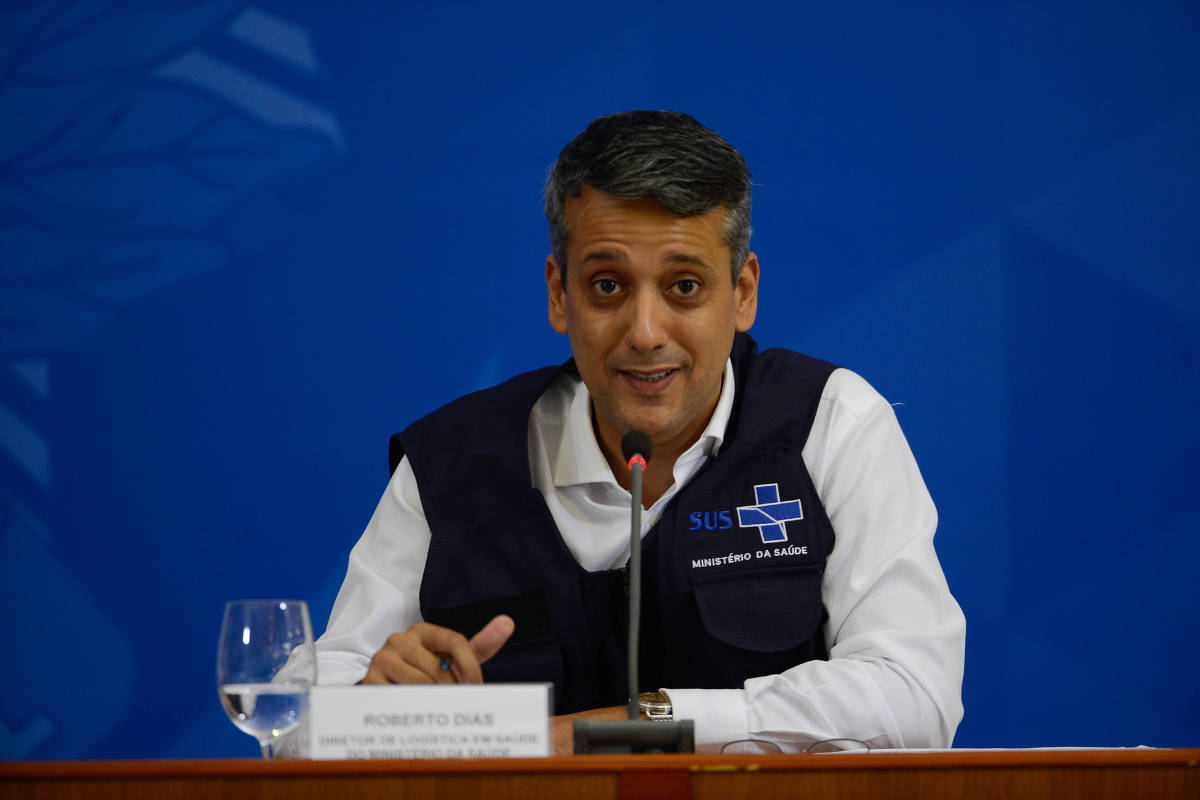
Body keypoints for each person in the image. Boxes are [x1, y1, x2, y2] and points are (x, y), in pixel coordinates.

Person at [288, 110, 965, 754]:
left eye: (685, 287)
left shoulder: (829, 423)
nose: (645, 334)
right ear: (559, 294)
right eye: (608, 286)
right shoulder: (452, 463)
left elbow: (915, 695)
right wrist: (370, 706)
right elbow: (288, 718)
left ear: (744, 292)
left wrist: (638, 725)